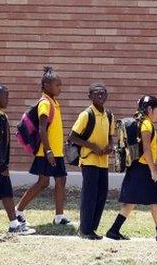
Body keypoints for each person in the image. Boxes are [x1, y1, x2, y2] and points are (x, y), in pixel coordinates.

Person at [105, 95, 157, 242]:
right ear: (150, 109)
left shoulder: (143, 122)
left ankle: (114, 230)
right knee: (153, 201)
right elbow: (146, 149)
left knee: (135, 201)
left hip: (138, 167)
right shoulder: (146, 125)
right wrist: (153, 170)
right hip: (143, 168)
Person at [15, 67, 72, 227]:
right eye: (57, 85)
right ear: (46, 85)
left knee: (59, 181)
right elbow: (41, 128)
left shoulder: (54, 102)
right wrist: (48, 151)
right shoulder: (45, 103)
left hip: (55, 152)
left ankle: (59, 216)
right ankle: (18, 211)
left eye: (60, 85)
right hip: (47, 152)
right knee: (43, 183)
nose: (60, 88)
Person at [69, 83, 114, 240]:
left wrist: (110, 146)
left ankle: (92, 229)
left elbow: (110, 136)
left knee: (101, 195)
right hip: (89, 160)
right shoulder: (86, 115)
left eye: (103, 93)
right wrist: (92, 146)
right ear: (90, 97)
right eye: (96, 94)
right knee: (89, 196)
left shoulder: (109, 115)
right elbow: (72, 137)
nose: (100, 96)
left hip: (104, 161)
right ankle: (84, 230)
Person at [0, 86, 34, 234]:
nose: (8, 100)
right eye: (6, 97)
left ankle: (14, 224)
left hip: (0, 164)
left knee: (6, 193)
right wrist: (1, 164)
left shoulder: (1, 115)